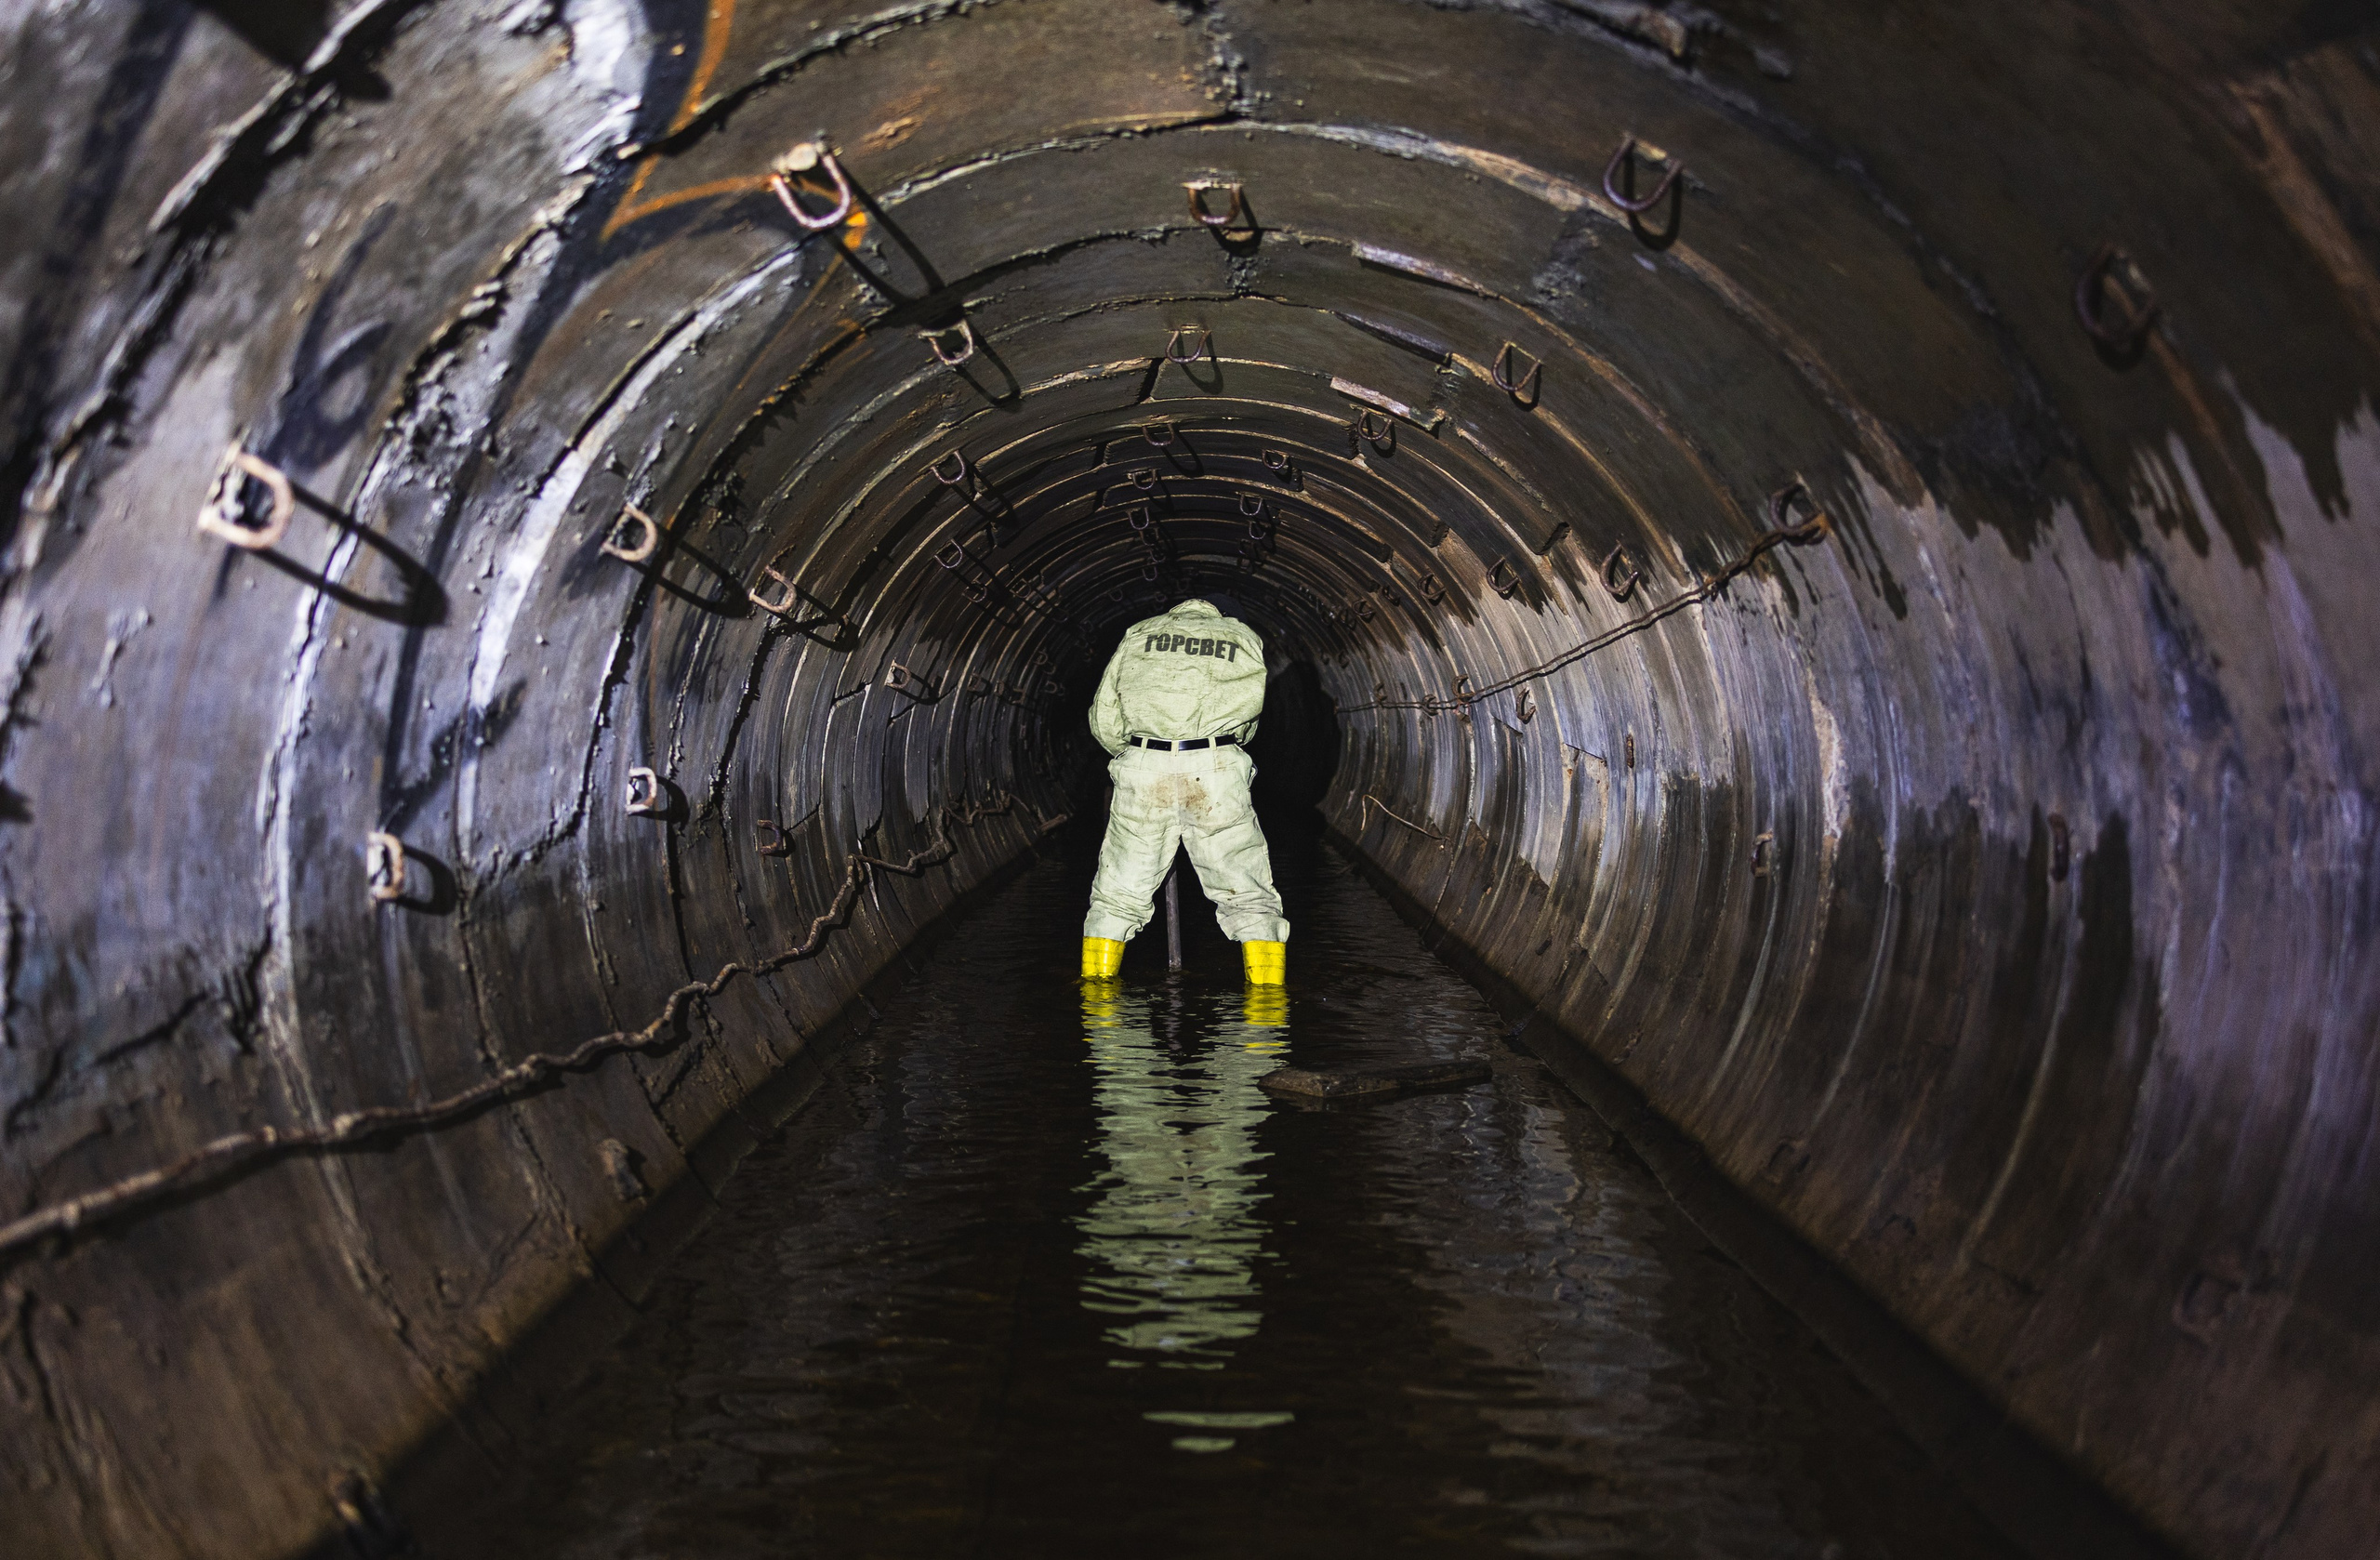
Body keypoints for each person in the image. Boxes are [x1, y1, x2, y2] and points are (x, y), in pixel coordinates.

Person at [1081, 598, 1289, 984]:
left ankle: (1097, 1002)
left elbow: (1105, 715)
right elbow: (1249, 716)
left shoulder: (1139, 633)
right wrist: (1223, 745)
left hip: (1145, 766)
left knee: (1118, 894)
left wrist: (1137, 756)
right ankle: (1266, 1010)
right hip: (1216, 767)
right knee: (1247, 893)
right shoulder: (1241, 635)